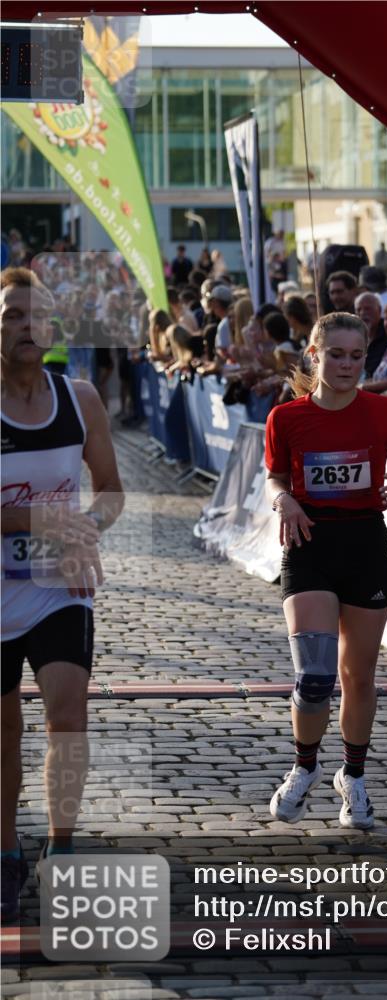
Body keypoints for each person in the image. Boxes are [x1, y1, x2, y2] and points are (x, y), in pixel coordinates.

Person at [265, 312, 387, 829]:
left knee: (358, 677)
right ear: (314, 355)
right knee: (313, 678)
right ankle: (304, 766)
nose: (347, 365)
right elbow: (274, 478)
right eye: (336, 354)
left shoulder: (384, 412)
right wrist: (284, 500)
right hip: (310, 543)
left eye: (357, 356)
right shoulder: (285, 418)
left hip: (365, 546)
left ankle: (352, 777)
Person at [1, 267, 124, 922]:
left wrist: (84, 533)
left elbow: (109, 490)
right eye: (13, 315)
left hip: (57, 586)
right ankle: (4, 855)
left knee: (66, 714)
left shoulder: (79, 398)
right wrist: (39, 520)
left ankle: (62, 847)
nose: (27, 327)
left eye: (37, 316)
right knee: (3, 737)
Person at [354, 292, 387, 379]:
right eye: (359, 310)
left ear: (380, 310)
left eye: (368, 309)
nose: (362, 313)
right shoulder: (352, 335)